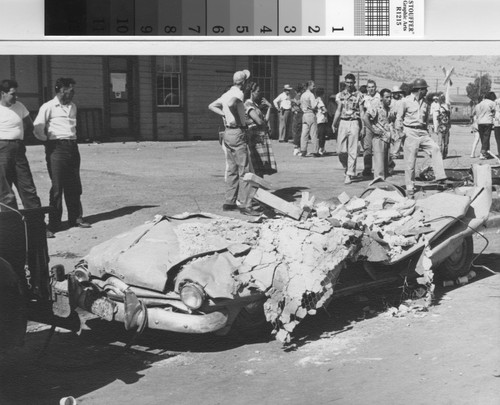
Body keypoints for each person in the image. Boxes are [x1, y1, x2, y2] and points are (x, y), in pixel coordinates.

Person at [34, 77, 91, 238]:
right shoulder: (48, 107)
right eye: (70, 90)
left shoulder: (73, 107)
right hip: (56, 148)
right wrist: (48, 142)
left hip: (72, 147)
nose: (73, 93)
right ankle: (54, 223)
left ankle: (76, 218)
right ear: (61, 90)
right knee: (58, 187)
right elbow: (37, 128)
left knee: (74, 184)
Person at [208, 69, 260, 216]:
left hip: (227, 132)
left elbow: (211, 106)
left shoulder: (226, 93)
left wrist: (225, 114)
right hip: (237, 131)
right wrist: (236, 117)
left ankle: (229, 201)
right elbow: (232, 103)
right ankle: (245, 204)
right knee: (244, 170)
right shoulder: (238, 93)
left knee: (232, 169)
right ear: (243, 82)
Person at [395, 78, 447, 197]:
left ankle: (440, 177)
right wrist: (400, 132)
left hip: (422, 132)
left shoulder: (426, 103)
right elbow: (399, 118)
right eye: (425, 89)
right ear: (419, 90)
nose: (427, 91)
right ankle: (410, 187)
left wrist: (427, 132)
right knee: (410, 162)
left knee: (435, 148)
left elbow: (426, 119)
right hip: (410, 132)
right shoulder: (405, 101)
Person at [0, 79, 42, 211]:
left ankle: (38, 227)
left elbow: (29, 125)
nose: (15, 97)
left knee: (28, 188)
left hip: (19, 150)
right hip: (2, 151)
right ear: (3, 93)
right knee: (6, 193)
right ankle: (14, 227)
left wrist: (19, 138)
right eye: (12, 94)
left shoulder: (20, 106)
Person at [332, 73, 364, 184]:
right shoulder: (340, 95)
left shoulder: (359, 95)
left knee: (353, 149)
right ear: (345, 82)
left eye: (351, 82)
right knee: (340, 150)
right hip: (343, 122)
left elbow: (362, 112)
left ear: (354, 82)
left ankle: (350, 173)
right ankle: (346, 166)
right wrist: (334, 123)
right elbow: (338, 110)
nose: (349, 84)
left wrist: (363, 127)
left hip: (354, 122)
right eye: (347, 82)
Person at [244, 81, 277, 177]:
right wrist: (263, 125)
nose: (259, 93)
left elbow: (265, 120)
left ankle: (259, 187)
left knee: (261, 164)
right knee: (256, 164)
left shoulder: (255, 105)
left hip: (260, 136)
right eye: (258, 91)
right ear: (252, 92)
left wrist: (269, 107)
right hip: (254, 137)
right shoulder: (248, 104)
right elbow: (259, 121)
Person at [364, 88, 392, 180]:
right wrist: (373, 130)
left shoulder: (388, 109)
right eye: (387, 97)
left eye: (390, 97)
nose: (389, 99)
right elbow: (365, 118)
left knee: (385, 166)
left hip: (386, 139)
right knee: (379, 168)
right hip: (378, 138)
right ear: (381, 98)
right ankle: (378, 187)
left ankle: (383, 186)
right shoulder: (376, 106)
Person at [361, 79, 381, 177]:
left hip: (378, 124)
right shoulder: (364, 98)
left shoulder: (380, 97)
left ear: (375, 87)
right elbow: (362, 112)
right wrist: (363, 126)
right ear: (367, 88)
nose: (371, 89)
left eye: (373, 87)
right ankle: (367, 168)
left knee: (380, 147)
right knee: (367, 147)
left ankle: (386, 165)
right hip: (368, 124)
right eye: (369, 87)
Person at [299, 80, 319, 157]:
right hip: (310, 114)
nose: (314, 87)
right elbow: (313, 105)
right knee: (313, 133)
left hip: (304, 114)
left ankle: (303, 150)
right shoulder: (311, 95)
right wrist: (317, 101)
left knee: (304, 133)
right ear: (309, 86)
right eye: (313, 86)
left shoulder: (303, 95)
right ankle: (315, 151)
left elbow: (301, 105)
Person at [474, 91, 496, 160]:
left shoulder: (481, 103)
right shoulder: (492, 103)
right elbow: (495, 111)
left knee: (483, 138)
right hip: (488, 121)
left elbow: (477, 112)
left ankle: (486, 153)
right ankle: (483, 153)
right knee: (486, 137)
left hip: (480, 122)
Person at [433, 83, 452, 159]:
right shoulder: (447, 106)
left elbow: (437, 118)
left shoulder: (440, 107)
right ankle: (444, 154)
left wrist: (436, 127)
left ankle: (441, 154)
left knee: (440, 142)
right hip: (446, 126)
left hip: (441, 126)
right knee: (445, 142)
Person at [291, 83, 305, 156]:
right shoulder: (298, 97)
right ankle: (296, 148)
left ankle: (298, 148)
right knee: (297, 131)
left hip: (298, 114)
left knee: (298, 131)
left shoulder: (297, 96)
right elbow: (296, 106)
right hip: (298, 115)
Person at [315, 88, 328, 156]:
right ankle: (321, 148)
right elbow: (324, 109)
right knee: (322, 135)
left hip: (317, 119)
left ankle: (320, 148)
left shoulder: (315, 100)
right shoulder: (320, 101)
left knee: (319, 135)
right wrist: (325, 111)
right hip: (322, 119)